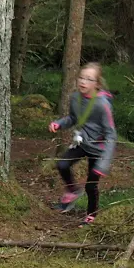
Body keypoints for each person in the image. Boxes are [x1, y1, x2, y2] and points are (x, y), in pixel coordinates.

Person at [49, 62, 117, 226]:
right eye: (81, 77)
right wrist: (59, 124)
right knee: (63, 165)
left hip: (98, 150)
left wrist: (104, 164)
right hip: (82, 143)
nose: (83, 82)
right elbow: (72, 119)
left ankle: (91, 215)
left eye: (89, 79)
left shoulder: (102, 105)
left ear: (97, 84)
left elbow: (111, 133)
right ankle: (72, 191)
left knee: (91, 185)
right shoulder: (75, 98)